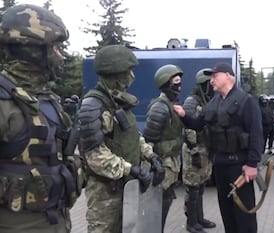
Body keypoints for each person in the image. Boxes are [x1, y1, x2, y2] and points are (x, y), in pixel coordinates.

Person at [0, 4, 84, 233]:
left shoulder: (46, 99)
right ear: (32, 50)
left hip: (56, 222)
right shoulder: (4, 103)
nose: (61, 55)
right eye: (55, 47)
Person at [78, 45, 164, 233]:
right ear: (116, 73)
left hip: (128, 189)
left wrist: (152, 156)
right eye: (129, 71)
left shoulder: (120, 102)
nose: (132, 76)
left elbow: (133, 137)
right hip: (105, 195)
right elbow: (94, 155)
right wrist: (131, 169)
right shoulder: (93, 106)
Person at [174, 62, 264, 233]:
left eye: (215, 76)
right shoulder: (214, 102)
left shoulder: (246, 101)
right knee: (227, 211)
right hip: (220, 165)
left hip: (240, 167)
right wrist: (184, 116)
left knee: (244, 214)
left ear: (228, 76)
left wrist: (252, 164)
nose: (212, 80)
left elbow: (256, 134)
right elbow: (199, 124)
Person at [143, 64, 184, 233]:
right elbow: (148, 141)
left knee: (166, 200)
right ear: (166, 83)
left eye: (180, 81)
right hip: (162, 164)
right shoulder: (160, 107)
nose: (179, 85)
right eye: (175, 81)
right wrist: (151, 166)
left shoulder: (172, 105)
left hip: (172, 163)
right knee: (158, 203)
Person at [182, 68, 216, 233]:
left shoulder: (206, 100)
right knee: (193, 188)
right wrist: (194, 151)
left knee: (201, 186)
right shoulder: (192, 101)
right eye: (209, 83)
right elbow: (188, 128)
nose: (213, 86)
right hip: (193, 150)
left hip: (204, 149)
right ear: (203, 84)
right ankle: (191, 223)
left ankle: (200, 219)